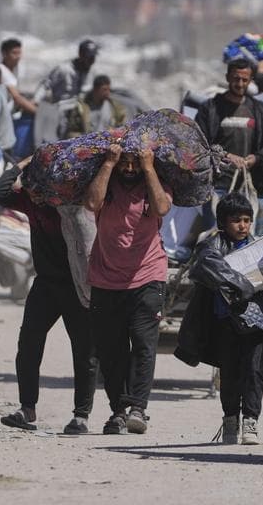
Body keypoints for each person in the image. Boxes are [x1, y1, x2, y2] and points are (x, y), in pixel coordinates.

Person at [175, 192, 263, 445]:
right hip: (226, 323)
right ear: (223, 222)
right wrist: (241, 282)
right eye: (236, 220)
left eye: (247, 220)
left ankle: (251, 422)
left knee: (255, 373)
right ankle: (230, 420)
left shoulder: (262, 247)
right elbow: (210, 265)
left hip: (261, 323)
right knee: (230, 374)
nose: (243, 226)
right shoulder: (210, 246)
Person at [0, 155, 97, 435]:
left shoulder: (70, 204)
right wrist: (24, 164)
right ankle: (27, 409)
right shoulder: (30, 201)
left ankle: (81, 416)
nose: (33, 192)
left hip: (77, 285)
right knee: (28, 343)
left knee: (84, 351)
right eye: (30, 186)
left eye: (39, 186)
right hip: (46, 285)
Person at [85, 142, 172, 435]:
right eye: (126, 163)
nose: (130, 169)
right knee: (111, 350)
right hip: (106, 277)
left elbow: (162, 207)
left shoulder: (154, 184)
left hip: (147, 275)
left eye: (136, 163)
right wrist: (108, 164)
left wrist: (148, 168)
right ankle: (118, 412)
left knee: (144, 344)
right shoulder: (106, 185)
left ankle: (138, 408)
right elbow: (91, 204)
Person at [194, 59, 263, 202]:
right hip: (217, 185)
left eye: (244, 80)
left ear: (251, 80)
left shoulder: (259, 109)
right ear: (227, 77)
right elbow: (198, 145)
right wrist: (226, 155)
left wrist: (257, 158)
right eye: (236, 79)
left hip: (251, 185)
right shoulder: (210, 109)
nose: (240, 84)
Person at [64, 75, 128, 138]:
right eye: (104, 90)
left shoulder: (115, 107)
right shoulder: (81, 108)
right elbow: (72, 131)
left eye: (109, 89)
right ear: (96, 90)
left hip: (109, 143)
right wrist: (83, 139)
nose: (107, 93)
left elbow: (123, 126)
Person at [44, 40, 99, 105]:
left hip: (80, 110)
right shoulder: (63, 69)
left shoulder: (93, 73)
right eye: (89, 57)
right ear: (80, 55)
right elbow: (45, 86)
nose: (91, 61)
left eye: (93, 58)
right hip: (60, 109)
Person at [0, 37, 37, 116]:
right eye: (14, 53)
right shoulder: (2, 71)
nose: (18, 56)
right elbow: (17, 98)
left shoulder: (11, 72)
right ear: (4, 54)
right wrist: (37, 112)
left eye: (19, 53)